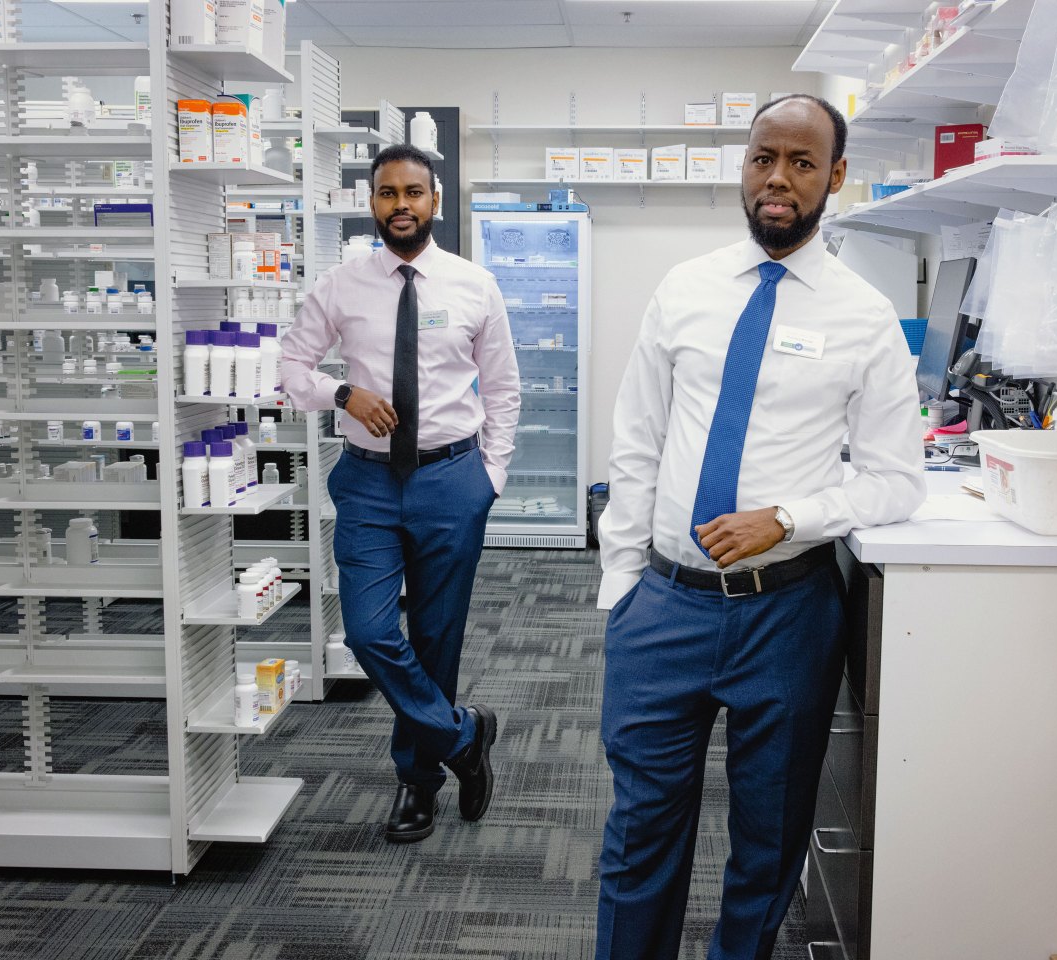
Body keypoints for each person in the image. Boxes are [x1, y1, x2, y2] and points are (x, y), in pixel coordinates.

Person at [594, 94, 926, 959]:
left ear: (836, 178)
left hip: (786, 613)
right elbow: (636, 440)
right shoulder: (686, 290)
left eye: (802, 163)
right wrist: (621, 587)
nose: (778, 179)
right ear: (743, 165)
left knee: (769, 841)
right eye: (763, 158)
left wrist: (790, 518)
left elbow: (897, 480)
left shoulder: (865, 318)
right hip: (664, 606)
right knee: (640, 834)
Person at [280, 144, 521, 843]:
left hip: (452, 479)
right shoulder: (342, 284)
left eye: (413, 192)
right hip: (369, 480)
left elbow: (503, 389)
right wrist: (342, 394)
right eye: (387, 194)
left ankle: (418, 781)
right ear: (373, 203)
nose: (401, 205)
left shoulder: (475, 284)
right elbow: (292, 366)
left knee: (437, 638)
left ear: (435, 201)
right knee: (369, 630)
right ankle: (462, 737)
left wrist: (489, 479)